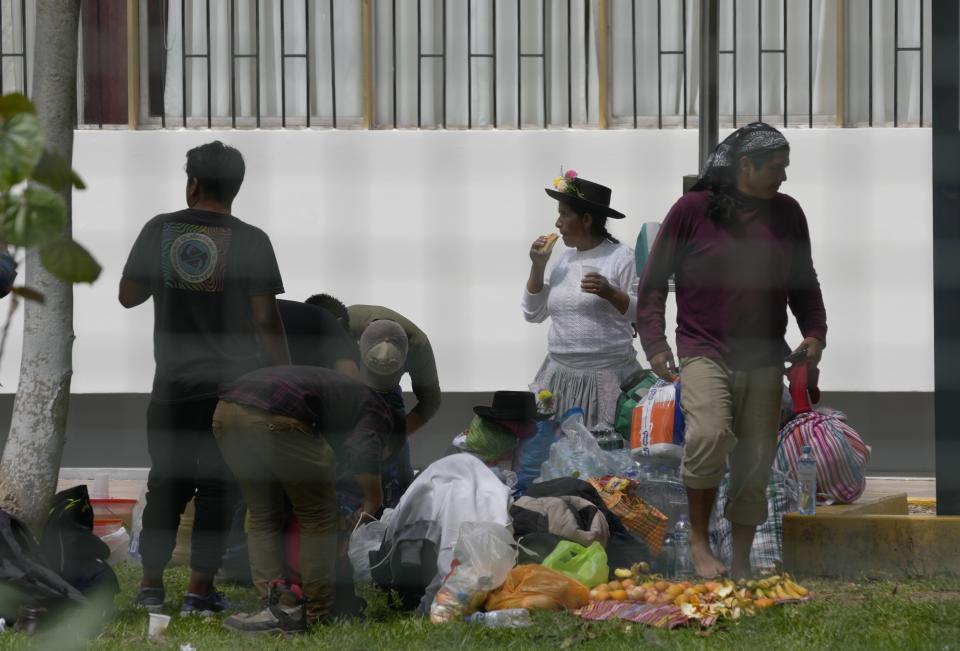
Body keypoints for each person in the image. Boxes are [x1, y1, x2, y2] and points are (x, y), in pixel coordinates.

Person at [635, 122, 827, 579]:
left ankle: (740, 561)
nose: (783, 177)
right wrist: (656, 343)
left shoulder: (789, 214)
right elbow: (654, 280)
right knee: (708, 435)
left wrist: (815, 333)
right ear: (746, 166)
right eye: (776, 168)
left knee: (755, 459)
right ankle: (701, 545)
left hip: (764, 355)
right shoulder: (692, 210)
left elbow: (804, 281)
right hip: (705, 349)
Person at [119, 141, 290, 614]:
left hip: (172, 385)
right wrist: (284, 376)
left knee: (166, 484)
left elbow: (128, 295)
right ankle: (198, 592)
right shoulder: (254, 240)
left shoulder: (160, 229)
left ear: (191, 183)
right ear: (237, 187)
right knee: (218, 489)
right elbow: (265, 318)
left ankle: (151, 588)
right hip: (232, 391)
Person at [212, 365, 405, 634]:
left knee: (263, 514)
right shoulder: (379, 411)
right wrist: (374, 496)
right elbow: (363, 449)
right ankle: (317, 611)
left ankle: (274, 607)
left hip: (226, 413)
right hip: (273, 417)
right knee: (318, 517)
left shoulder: (340, 398)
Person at [522, 169, 642, 429]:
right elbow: (533, 314)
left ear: (586, 219)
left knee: (605, 455)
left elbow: (643, 313)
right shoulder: (563, 261)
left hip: (606, 378)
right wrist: (538, 266)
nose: (557, 223)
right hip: (559, 377)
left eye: (564, 214)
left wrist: (610, 293)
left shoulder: (621, 258)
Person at [307, 296, 441, 506]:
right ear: (358, 345)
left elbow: (431, 400)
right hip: (342, 394)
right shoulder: (340, 328)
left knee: (398, 478)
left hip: (389, 399)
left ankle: (399, 509)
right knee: (345, 465)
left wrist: (396, 436)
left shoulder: (418, 346)